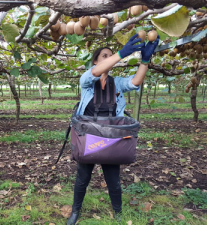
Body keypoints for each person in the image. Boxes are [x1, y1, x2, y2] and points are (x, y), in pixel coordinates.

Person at [67, 34, 160, 225]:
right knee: (82, 178)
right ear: (95, 61)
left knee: (113, 180)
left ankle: (118, 213)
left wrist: (145, 61)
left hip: (110, 137)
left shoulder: (116, 83)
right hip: (90, 136)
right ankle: (75, 211)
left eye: (111, 56)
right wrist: (120, 53)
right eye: (104, 56)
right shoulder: (87, 80)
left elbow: (135, 82)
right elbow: (94, 73)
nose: (109, 58)